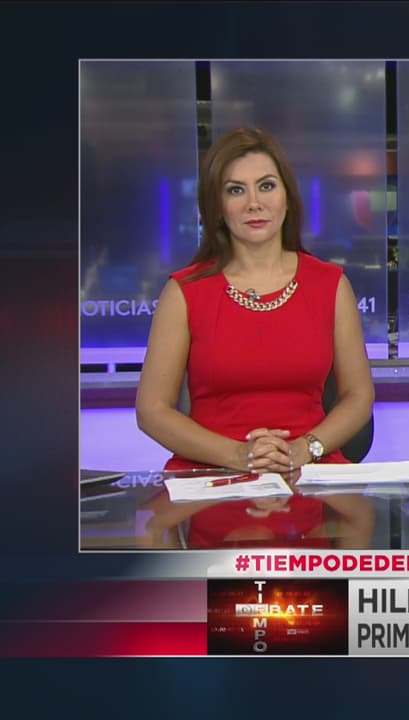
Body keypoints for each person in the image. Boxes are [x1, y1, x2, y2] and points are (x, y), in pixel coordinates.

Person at [135, 127, 374, 547]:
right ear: (216, 207)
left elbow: (358, 396)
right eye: (235, 190)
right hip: (208, 473)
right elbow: (152, 410)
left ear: (287, 196)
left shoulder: (330, 285)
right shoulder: (185, 292)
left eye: (266, 185)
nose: (254, 203)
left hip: (310, 472)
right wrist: (239, 455)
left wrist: (303, 449)